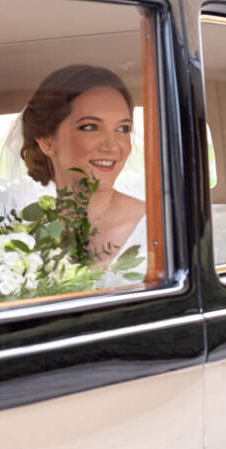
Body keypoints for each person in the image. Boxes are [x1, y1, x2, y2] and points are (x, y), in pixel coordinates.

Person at [20, 65, 146, 287]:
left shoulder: (160, 227)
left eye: (123, 129)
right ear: (47, 141)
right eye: (90, 127)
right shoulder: (21, 234)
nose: (112, 146)